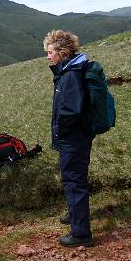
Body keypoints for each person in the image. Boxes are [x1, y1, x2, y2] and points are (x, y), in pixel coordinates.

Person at [43, 30, 94, 248]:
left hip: (73, 138)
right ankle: (74, 214)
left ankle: (81, 233)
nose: (48, 56)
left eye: (50, 52)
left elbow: (71, 110)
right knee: (73, 179)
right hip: (75, 137)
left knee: (74, 181)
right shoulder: (68, 71)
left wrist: (60, 131)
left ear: (62, 53)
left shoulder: (71, 74)